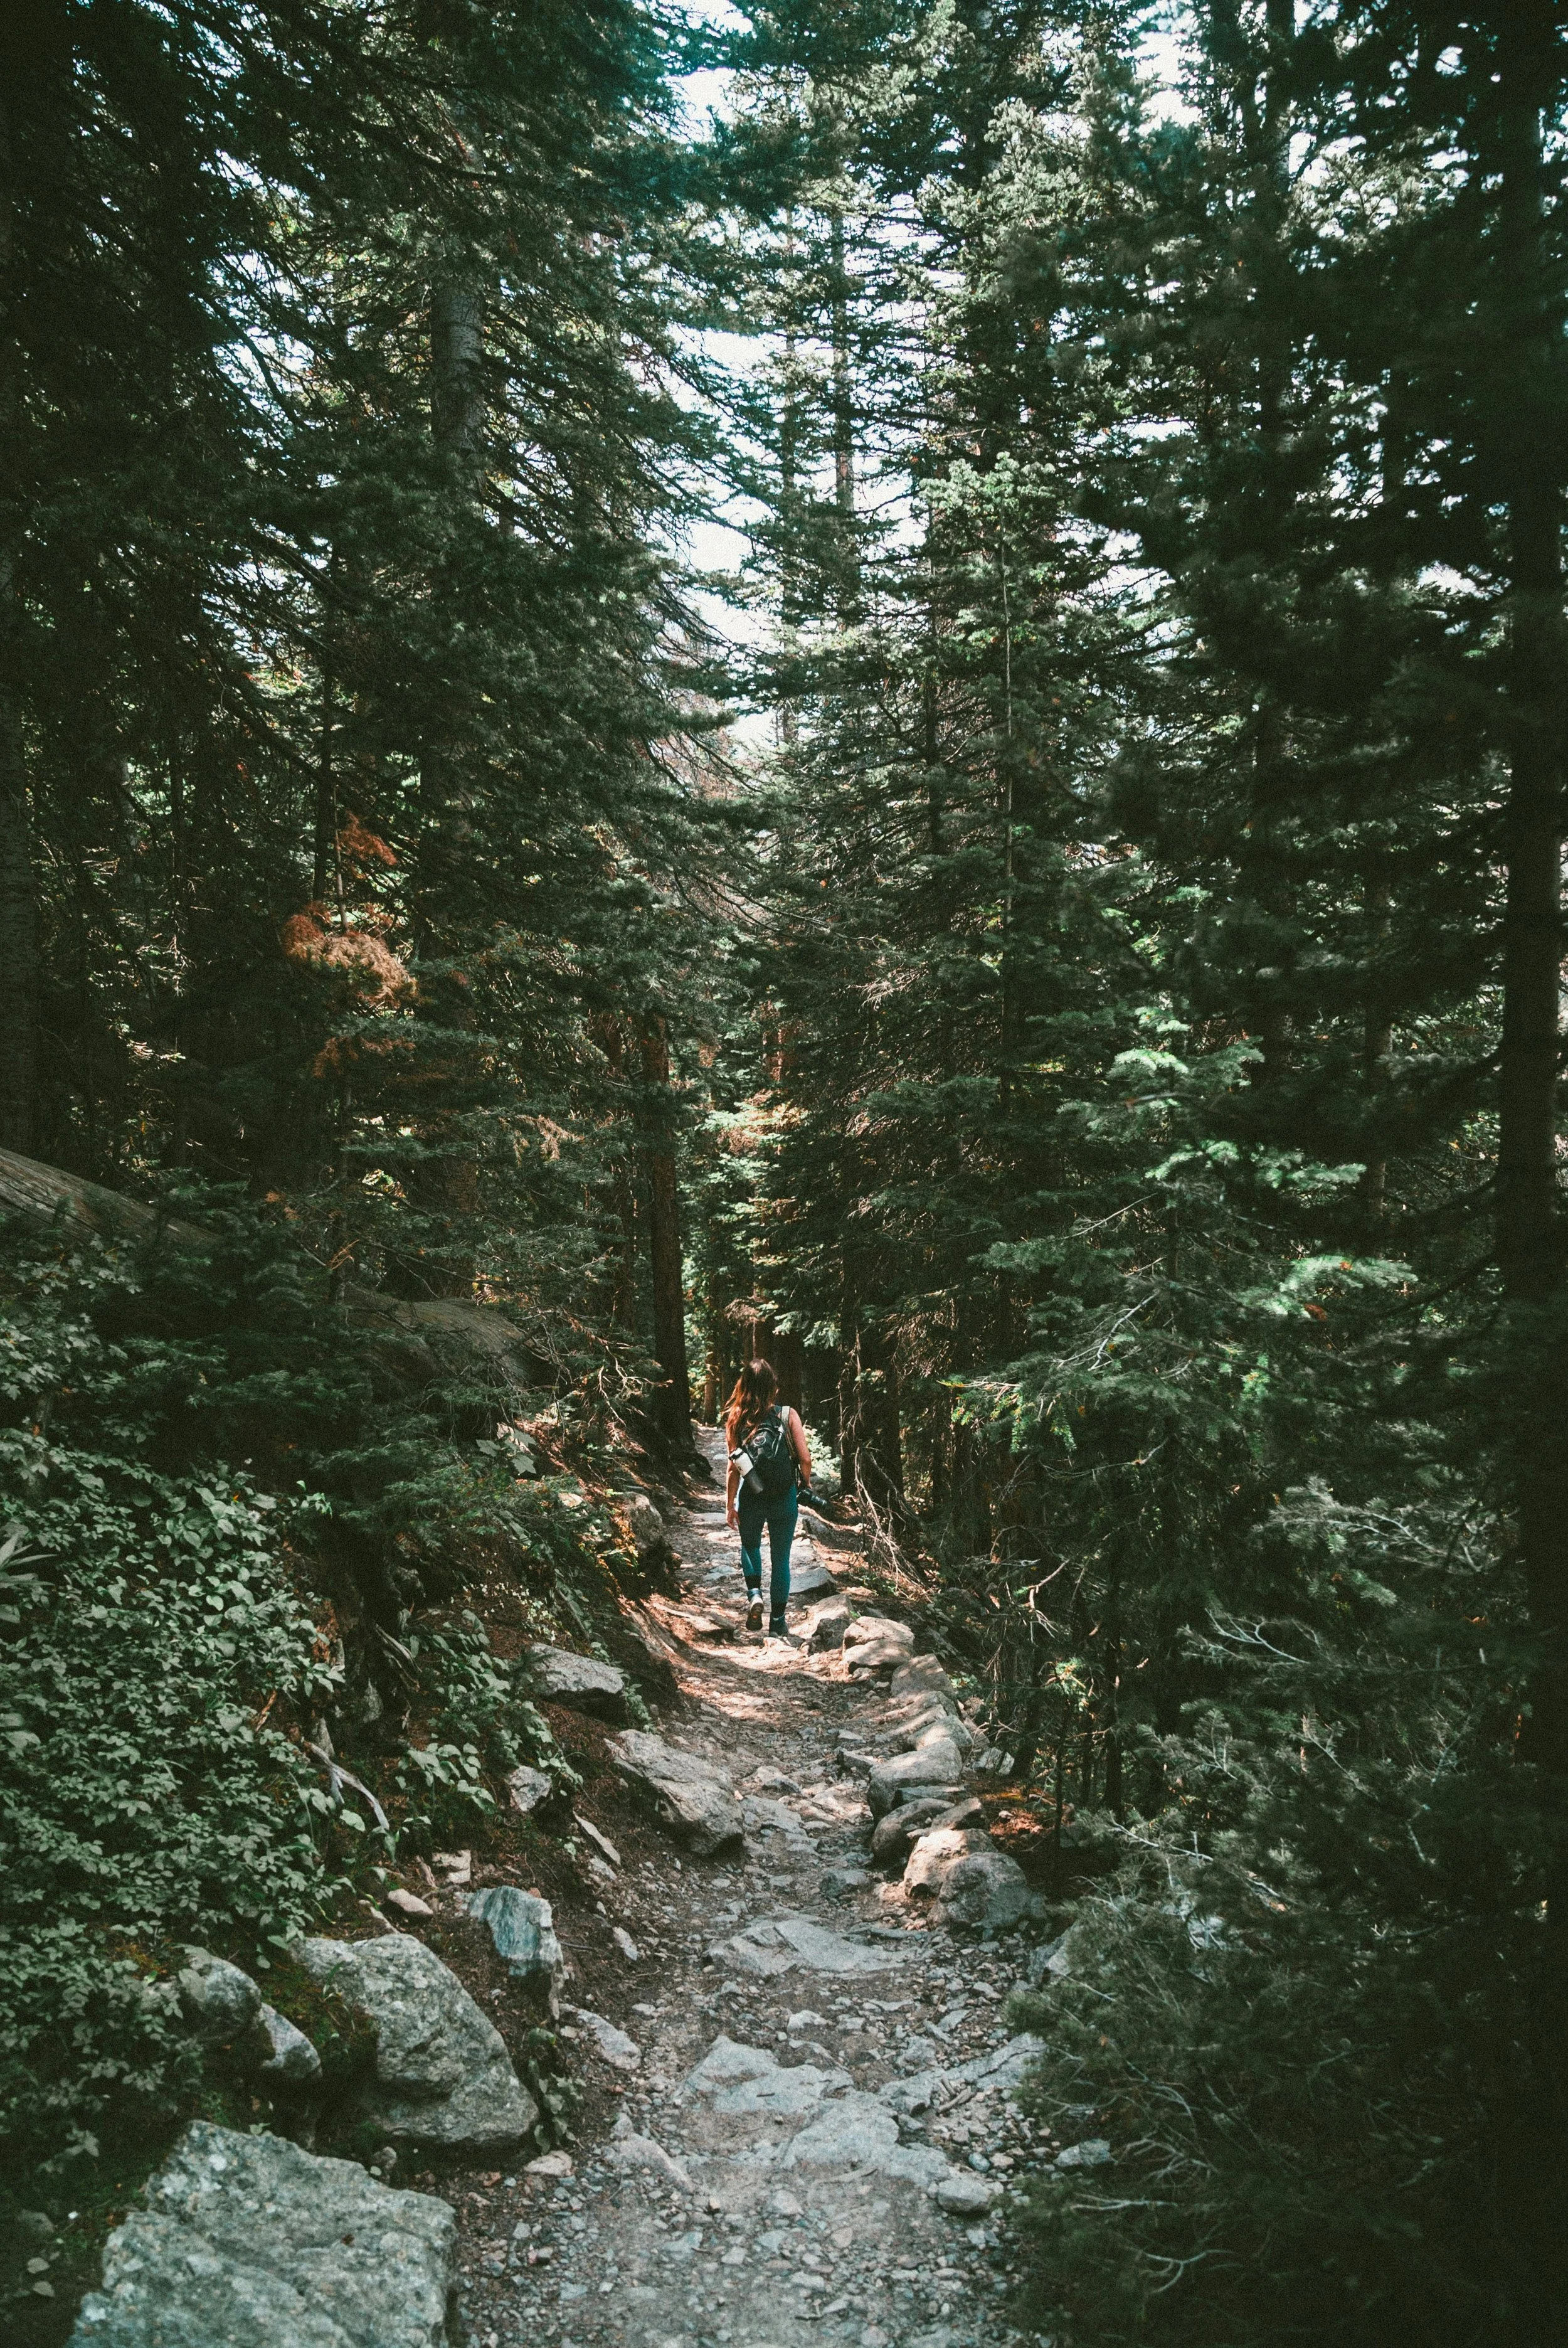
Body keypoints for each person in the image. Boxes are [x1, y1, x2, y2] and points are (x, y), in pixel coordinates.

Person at [724, 1357, 813, 1638]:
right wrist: (805, 1484)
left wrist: (730, 1504)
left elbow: (732, 1467)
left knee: (751, 1547)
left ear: (744, 1385)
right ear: (773, 1386)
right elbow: (805, 1459)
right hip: (783, 1496)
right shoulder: (788, 1416)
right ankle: (778, 1621)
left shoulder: (736, 1418)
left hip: (752, 1494)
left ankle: (754, 1594)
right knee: (781, 1558)